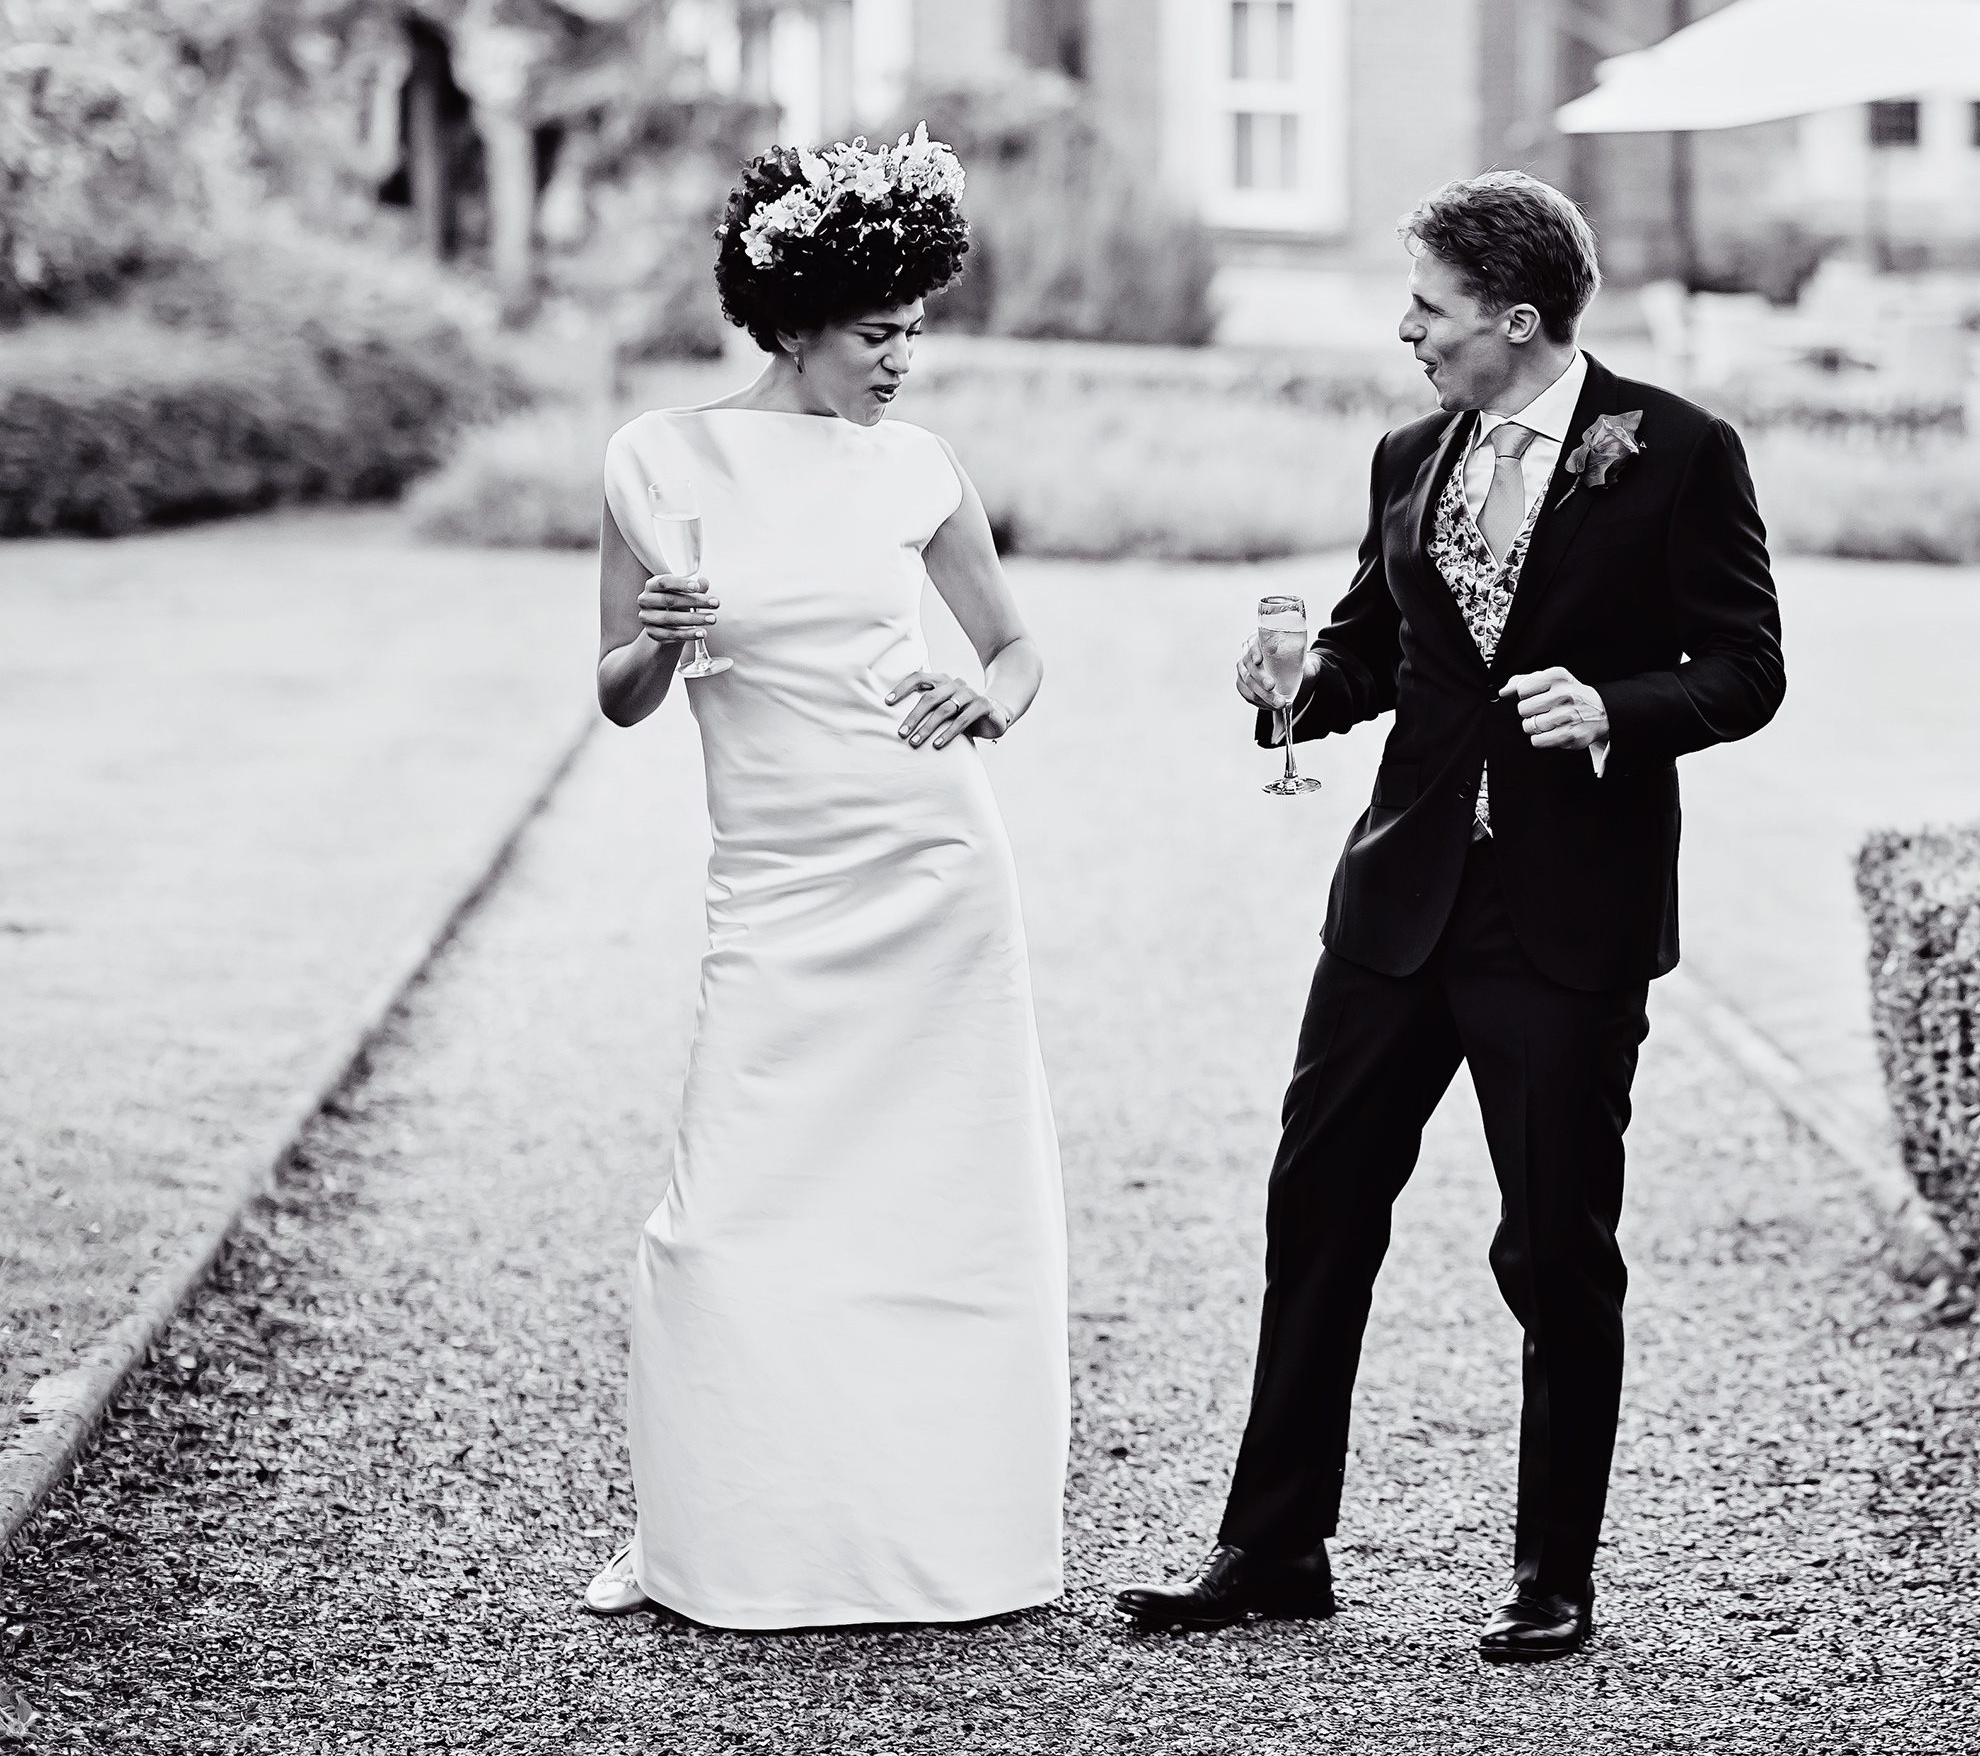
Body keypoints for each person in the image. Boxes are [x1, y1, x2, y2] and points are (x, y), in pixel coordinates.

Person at [1115, 171, 1784, 1662]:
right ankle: (1274, 1543)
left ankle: (1555, 1570)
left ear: (1520, 320)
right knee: (1317, 1206)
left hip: (1565, 919)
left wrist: (1617, 704)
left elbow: (1748, 667)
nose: (1404, 330)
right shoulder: (1410, 452)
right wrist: (1296, 688)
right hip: (1396, 899)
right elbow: (1375, 645)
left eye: (1429, 307)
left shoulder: (1677, 451)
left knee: (1553, 1248)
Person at [582, 130, 1067, 1629]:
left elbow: (1017, 645)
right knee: (729, 1210)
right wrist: (660, 637)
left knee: (936, 1203)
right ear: (792, 319)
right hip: (775, 885)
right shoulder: (657, 457)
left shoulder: (917, 467)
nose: (903, 358)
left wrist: (993, 696)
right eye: (879, 331)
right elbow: (615, 695)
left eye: (917, 327)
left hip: (930, 863)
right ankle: (717, 1533)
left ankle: (937, 1532)